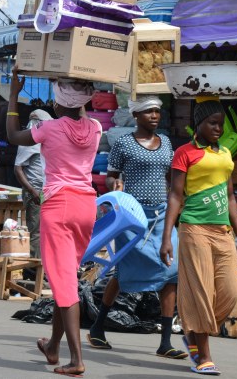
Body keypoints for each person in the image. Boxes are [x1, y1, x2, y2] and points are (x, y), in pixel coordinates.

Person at [7, 70, 101, 377]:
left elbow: (12, 135)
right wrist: (81, 81)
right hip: (86, 207)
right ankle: (53, 347)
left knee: (64, 284)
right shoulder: (96, 128)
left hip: (58, 207)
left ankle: (76, 360)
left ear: (59, 103)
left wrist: (13, 94)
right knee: (67, 279)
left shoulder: (48, 128)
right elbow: (79, 109)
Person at [88, 95, 187, 360]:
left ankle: (165, 341)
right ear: (136, 116)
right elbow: (111, 176)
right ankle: (98, 327)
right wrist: (115, 186)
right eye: (149, 112)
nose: (155, 116)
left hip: (162, 215)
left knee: (171, 273)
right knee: (123, 272)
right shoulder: (123, 144)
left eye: (157, 112)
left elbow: (170, 178)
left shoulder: (166, 142)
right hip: (132, 217)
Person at [160, 97, 237, 376]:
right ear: (198, 123)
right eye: (213, 123)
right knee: (200, 292)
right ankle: (204, 356)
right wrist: (166, 237)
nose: (218, 129)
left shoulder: (224, 155)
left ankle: (194, 335)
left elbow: (231, 197)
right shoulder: (184, 153)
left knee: (229, 293)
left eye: (221, 124)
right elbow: (175, 195)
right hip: (194, 229)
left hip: (222, 233)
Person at [14, 109, 52, 261]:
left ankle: (44, 268)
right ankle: (35, 271)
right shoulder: (29, 140)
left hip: (46, 190)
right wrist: (32, 190)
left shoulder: (43, 141)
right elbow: (18, 169)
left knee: (47, 231)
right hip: (35, 191)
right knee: (36, 232)